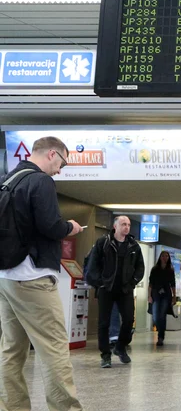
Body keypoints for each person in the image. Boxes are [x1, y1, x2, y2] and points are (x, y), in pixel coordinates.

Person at [0, 136, 84, 410]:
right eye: (62, 162)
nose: (61, 169)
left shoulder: (8, 179)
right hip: (32, 278)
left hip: (6, 277)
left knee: (12, 350)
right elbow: (50, 225)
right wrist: (69, 227)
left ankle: (14, 407)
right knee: (54, 347)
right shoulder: (41, 181)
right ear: (51, 154)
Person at [87, 215, 144, 368]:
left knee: (128, 320)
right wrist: (100, 283)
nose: (127, 227)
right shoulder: (103, 243)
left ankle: (120, 347)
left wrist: (132, 282)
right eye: (123, 224)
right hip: (107, 288)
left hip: (125, 288)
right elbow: (93, 265)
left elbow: (140, 267)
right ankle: (105, 355)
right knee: (103, 323)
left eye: (129, 224)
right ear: (115, 227)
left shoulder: (133, 246)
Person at [149, 250, 177, 346]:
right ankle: (160, 330)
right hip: (156, 294)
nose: (165, 258)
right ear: (160, 257)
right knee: (156, 316)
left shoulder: (170, 270)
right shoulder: (155, 269)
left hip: (166, 294)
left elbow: (173, 284)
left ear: (168, 258)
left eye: (167, 256)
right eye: (163, 256)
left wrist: (174, 296)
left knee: (162, 315)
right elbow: (151, 283)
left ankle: (161, 337)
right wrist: (149, 296)